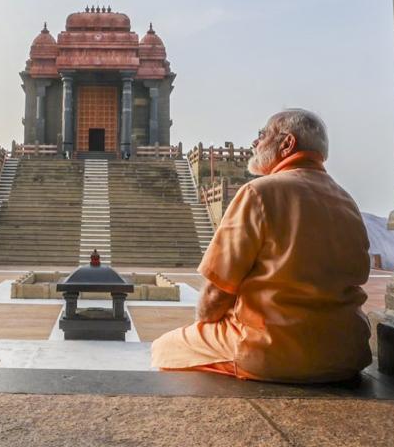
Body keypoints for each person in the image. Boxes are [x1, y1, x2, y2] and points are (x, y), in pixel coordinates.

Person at [151, 109, 372, 384]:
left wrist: (213, 325)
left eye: (262, 135)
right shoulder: (346, 200)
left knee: (163, 349)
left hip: (271, 352)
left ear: (287, 144)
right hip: (346, 353)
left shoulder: (258, 192)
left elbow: (213, 299)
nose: (255, 144)